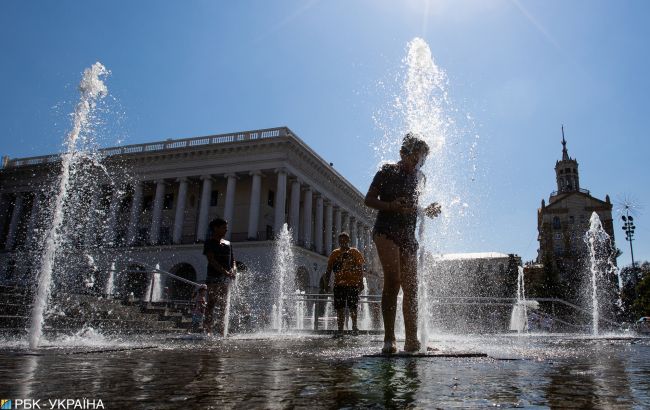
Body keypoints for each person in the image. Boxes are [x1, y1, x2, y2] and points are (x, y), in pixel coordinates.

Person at [364, 132, 441, 354]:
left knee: (412, 287)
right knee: (393, 280)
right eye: (415, 157)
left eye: (422, 159)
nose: (419, 162)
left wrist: (426, 210)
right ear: (403, 153)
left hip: (408, 234)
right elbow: (368, 199)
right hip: (386, 230)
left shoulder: (420, 178)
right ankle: (389, 339)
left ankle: (412, 340)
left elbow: (413, 206)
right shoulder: (387, 170)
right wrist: (392, 206)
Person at [325, 232, 365, 335]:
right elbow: (329, 269)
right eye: (341, 240)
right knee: (340, 308)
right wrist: (326, 283)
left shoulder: (355, 252)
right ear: (339, 241)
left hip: (353, 284)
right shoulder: (335, 253)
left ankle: (355, 327)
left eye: (345, 240)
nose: (343, 242)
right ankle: (340, 329)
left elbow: (360, 268)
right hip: (339, 285)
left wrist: (361, 282)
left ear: (348, 241)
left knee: (353, 307)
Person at [203, 218, 236, 336]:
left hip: (225, 279)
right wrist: (225, 272)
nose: (226, 229)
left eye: (226, 227)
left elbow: (233, 260)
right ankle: (208, 331)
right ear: (215, 228)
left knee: (224, 305)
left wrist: (233, 270)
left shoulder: (228, 244)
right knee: (211, 303)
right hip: (213, 278)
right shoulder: (209, 242)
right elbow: (211, 260)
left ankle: (222, 332)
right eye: (223, 227)